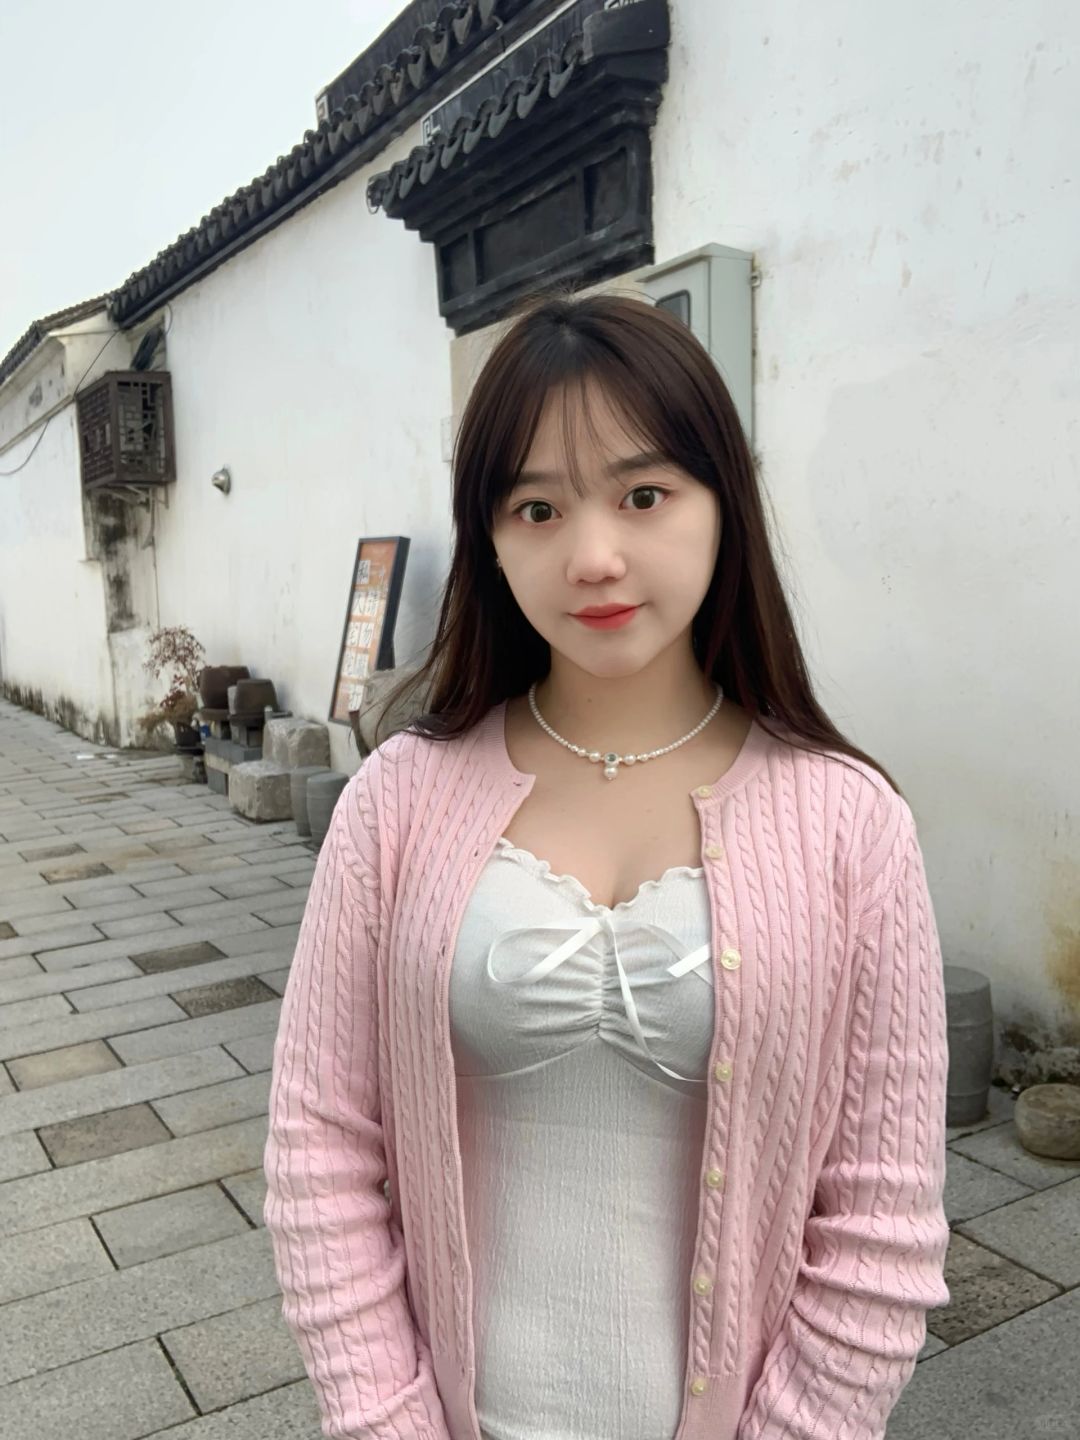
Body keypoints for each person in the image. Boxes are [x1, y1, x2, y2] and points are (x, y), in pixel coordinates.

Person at [263, 290, 951, 1440]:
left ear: (724, 503)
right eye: (537, 508)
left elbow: (882, 1221)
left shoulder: (851, 823)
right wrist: (388, 1423)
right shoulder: (397, 802)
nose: (593, 557)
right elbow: (319, 1149)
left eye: (644, 495)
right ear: (490, 538)